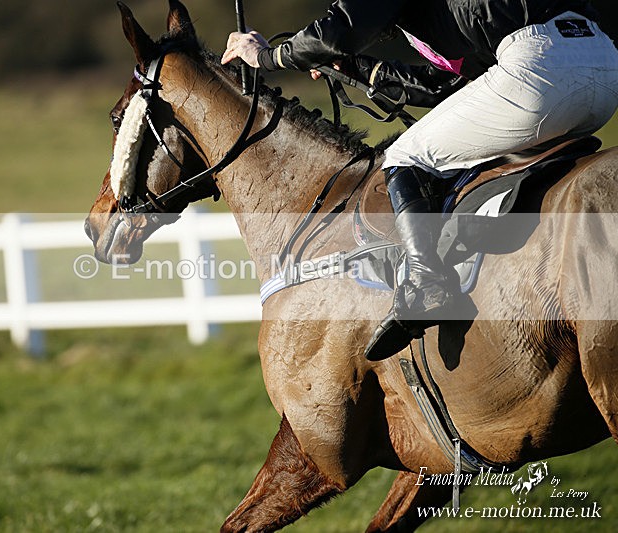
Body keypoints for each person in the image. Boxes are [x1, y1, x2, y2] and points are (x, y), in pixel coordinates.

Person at [222, 0, 618, 361]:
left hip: (540, 66)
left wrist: (266, 56)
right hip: (602, 65)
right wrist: (358, 68)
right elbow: (449, 86)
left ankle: (428, 284)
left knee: (404, 157)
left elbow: (334, 32)